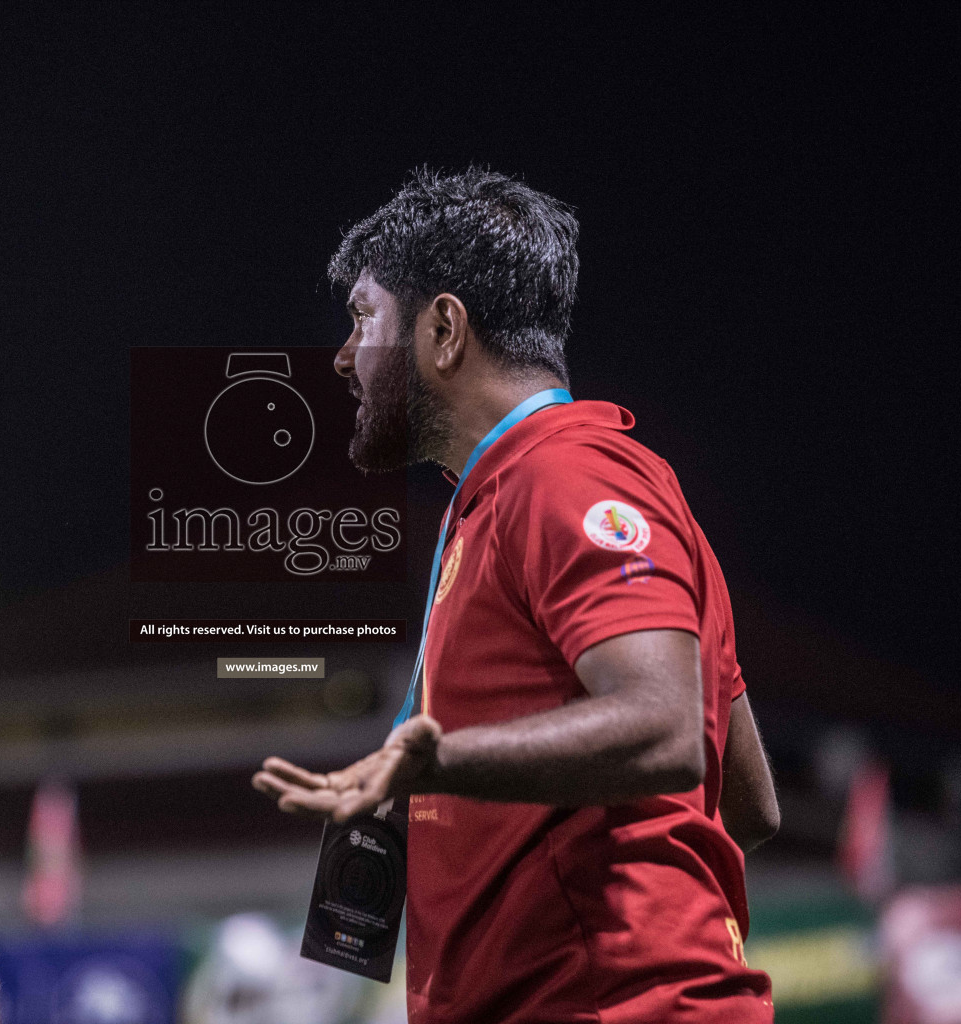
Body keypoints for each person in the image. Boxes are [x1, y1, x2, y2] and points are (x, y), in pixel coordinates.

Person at [254, 169, 781, 1022]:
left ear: (444, 329)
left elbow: (667, 728)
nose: (344, 355)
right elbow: (746, 797)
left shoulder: (564, 474)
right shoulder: (502, 501)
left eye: (362, 317)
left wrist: (442, 763)